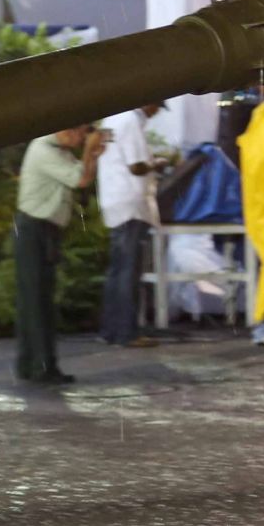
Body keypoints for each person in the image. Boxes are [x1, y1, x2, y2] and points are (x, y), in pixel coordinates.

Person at [15, 121, 105, 385]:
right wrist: (90, 150)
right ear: (69, 130)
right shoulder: (44, 149)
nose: (83, 138)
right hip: (34, 229)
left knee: (38, 300)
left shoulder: (59, 151)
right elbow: (81, 179)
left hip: (43, 230)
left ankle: (32, 364)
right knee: (36, 301)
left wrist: (93, 153)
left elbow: (82, 173)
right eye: (83, 131)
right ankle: (41, 367)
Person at [97, 100, 165, 349]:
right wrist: (157, 163)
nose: (156, 112)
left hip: (114, 200)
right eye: (156, 107)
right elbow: (136, 166)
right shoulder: (130, 120)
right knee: (128, 271)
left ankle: (110, 329)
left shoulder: (111, 119)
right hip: (131, 203)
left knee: (117, 271)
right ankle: (127, 332)